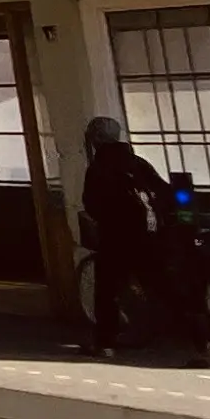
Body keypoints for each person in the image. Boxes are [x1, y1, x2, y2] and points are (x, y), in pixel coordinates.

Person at [76, 115, 184, 355]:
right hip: (153, 235)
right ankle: (199, 338)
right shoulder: (138, 162)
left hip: (118, 238)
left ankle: (105, 343)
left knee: (106, 290)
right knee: (163, 285)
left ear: (96, 140)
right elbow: (165, 192)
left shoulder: (99, 167)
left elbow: (92, 203)